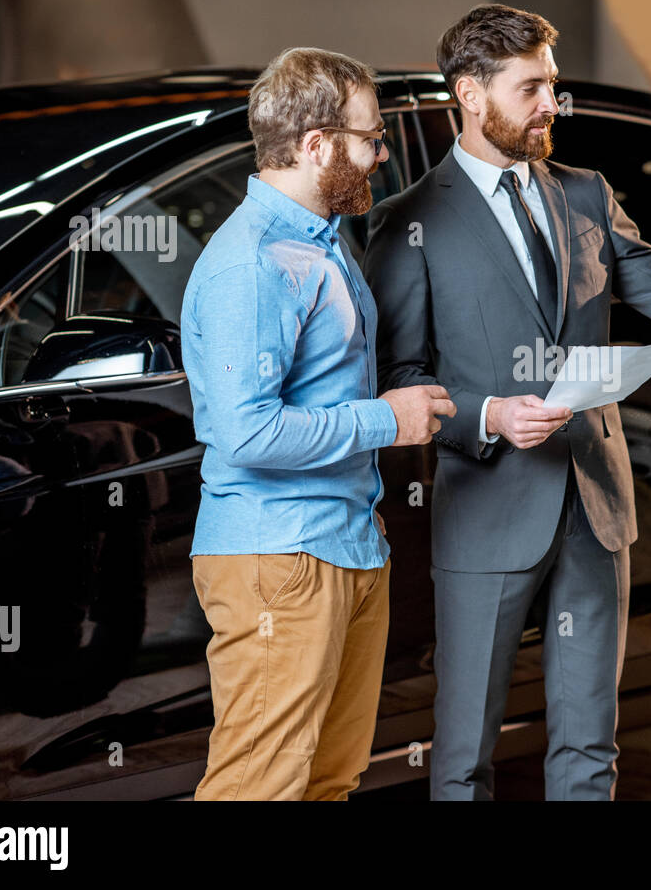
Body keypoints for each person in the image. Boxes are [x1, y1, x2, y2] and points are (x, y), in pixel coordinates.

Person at [364, 5, 651, 800]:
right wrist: (491, 414)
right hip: (488, 509)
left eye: (552, 86)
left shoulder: (588, 195)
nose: (550, 106)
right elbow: (400, 381)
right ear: (469, 92)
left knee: (591, 748)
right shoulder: (409, 223)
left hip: (597, 508)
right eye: (531, 89)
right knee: (462, 759)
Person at [181, 47, 454, 800]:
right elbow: (246, 432)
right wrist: (385, 419)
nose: (380, 153)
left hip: (344, 546)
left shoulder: (321, 245)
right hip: (280, 559)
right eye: (369, 139)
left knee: (329, 780)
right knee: (259, 787)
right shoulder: (255, 263)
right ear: (316, 145)